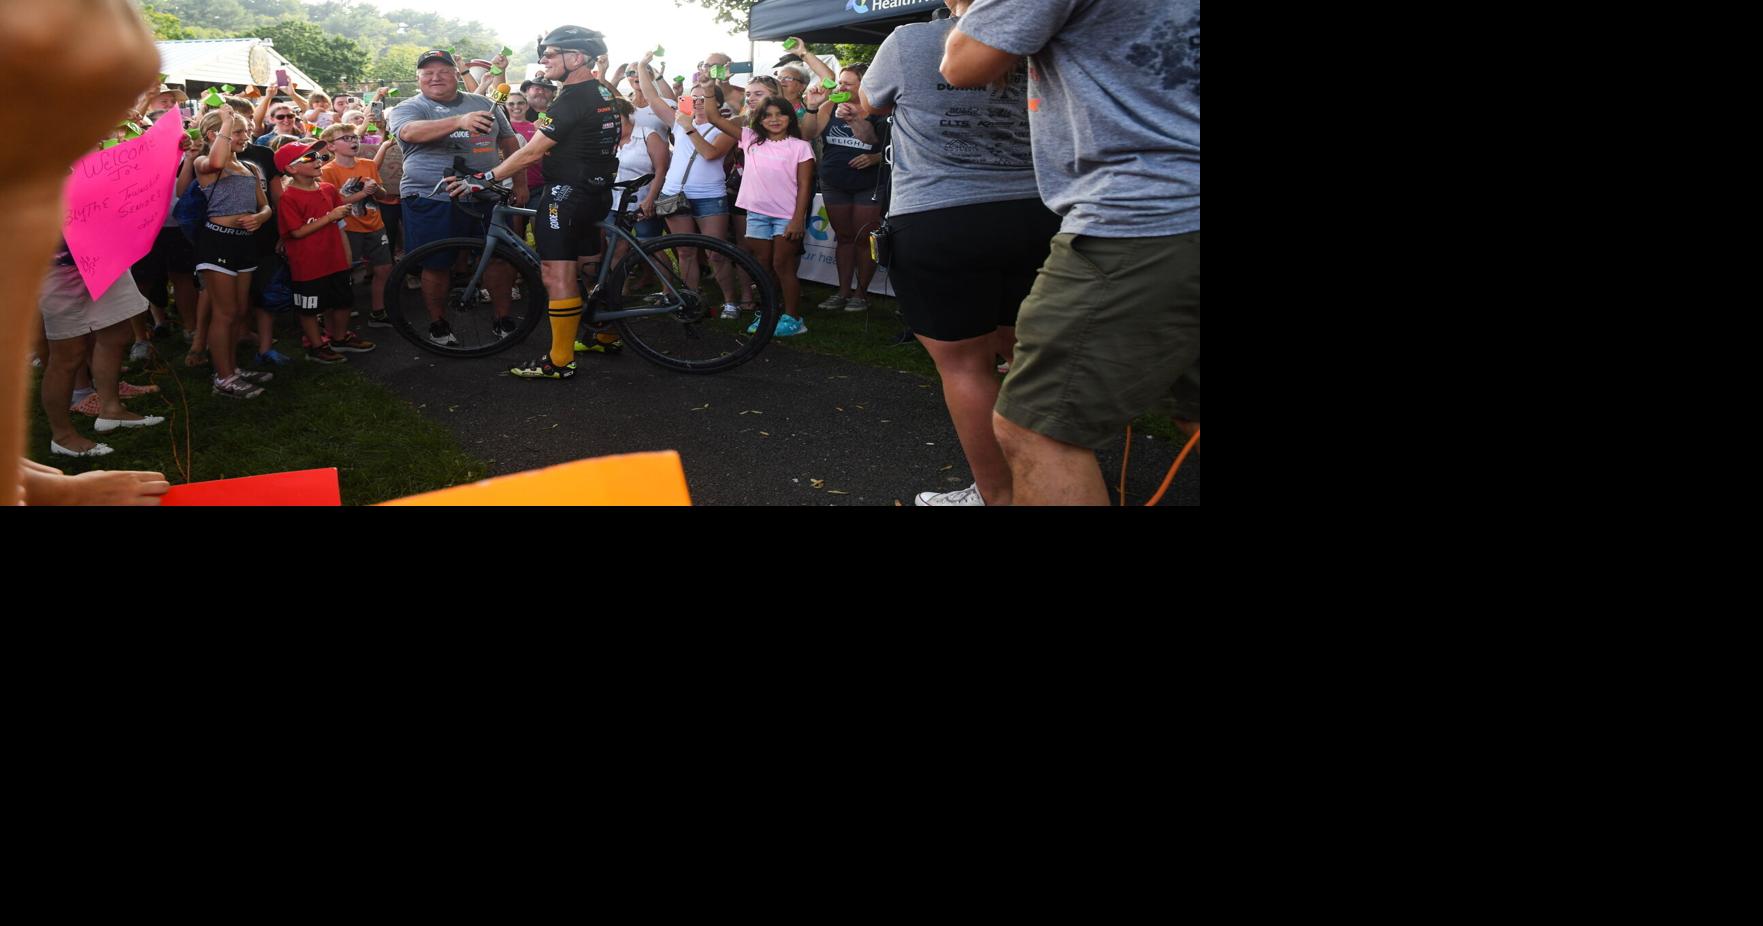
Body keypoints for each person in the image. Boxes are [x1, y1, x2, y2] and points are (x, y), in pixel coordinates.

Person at [943, 0, 1201, 505]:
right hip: (1172, 214)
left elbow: (962, 63)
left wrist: (966, 8)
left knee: (1035, 427)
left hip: (1142, 215)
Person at [862, 0, 1054, 506]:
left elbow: (871, 101)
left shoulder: (910, 40)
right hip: (1038, 215)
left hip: (938, 216)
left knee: (966, 367)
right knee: (1032, 359)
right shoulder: (1048, 33)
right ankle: (1058, 482)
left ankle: (997, 496)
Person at [1, 0, 169, 506]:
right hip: (64, 270)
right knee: (68, 350)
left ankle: (109, 405)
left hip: (98, 257)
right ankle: (62, 434)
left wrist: (48, 488)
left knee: (116, 331)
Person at [452, 26, 620, 380]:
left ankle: (559, 361)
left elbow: (532, 151)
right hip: (595, 191)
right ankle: (604, 333)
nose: (543, 59)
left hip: (567, 195)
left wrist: (488, 176)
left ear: (576, 58)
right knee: (589, 268)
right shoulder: (601, 89)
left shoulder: (573, 98)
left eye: (551, 53)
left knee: (555, 274)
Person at [387, 48, 526, 347]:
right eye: (428, 73)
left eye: (443, 71)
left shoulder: (485, 103)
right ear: (418, 78)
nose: (435, 77)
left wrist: (521, 182)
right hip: (431, 198)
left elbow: (509, 140)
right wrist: (459, 122)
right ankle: (438, 324)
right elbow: (409, 132)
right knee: (435, 263)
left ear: (455, 75)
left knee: (499, 260)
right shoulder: (409, 107)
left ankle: (503, 319)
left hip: (486, 194)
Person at [637, 52, 741, 323]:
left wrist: (689, 128)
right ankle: (689, 298)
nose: (694, 103)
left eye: (701, 99)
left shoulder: (724, 129)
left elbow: (710, 155)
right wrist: (641, 66)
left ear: (714, 103)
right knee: (685, 251)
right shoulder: (680, 121)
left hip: (709, 197)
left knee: (716, 254)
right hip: (675, 194)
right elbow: (652, 98)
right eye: (690, 99)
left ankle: (731, 301)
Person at [700, 94, 815, 337]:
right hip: (756, 214)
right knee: (762, 267)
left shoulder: (800, 146)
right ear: (759, 120)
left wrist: (797, 219)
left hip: (786, 216)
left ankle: (794, 318)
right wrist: (710, 90)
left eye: (780, 114)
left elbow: (806, 186)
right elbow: (713, 117)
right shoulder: (749, 138)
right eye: (768, 115)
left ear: (790, 117)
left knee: (781, 265)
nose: (774, 119)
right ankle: (770, 311)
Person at [190, 108, 277, 398]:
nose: (245, 136)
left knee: (239, 312)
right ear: (215, 135)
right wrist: (228, 119)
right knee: (225, 313)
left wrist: (261, 218)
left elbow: (264, 205)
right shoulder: (205, 162)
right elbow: (216, 159)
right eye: (238, 132)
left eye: (244, 131)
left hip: (243, 242)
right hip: (217, 242)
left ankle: (230, 369)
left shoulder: (250, 167)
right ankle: (224, 378)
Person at [276, 141, 376, 364]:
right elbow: (296, 232)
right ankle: (316, 345)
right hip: (308, 265)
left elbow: (339, 225)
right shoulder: (288, 197)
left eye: (316, 155)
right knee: (310, 307)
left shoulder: (328, 189)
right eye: (307, 157)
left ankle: (339, 338)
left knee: (342, 301)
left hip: (335, 259)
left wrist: (346, 253)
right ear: (291, 168)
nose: (316, 160)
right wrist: (329, 217)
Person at [800, 56, 885, 313]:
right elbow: (806, 135)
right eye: (840, 83)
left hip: (869, 183)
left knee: (864, 238)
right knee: (844, 238)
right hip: (834, 181)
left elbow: (876, 140)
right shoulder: (828, 107)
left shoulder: (878, 109)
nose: (841, 89)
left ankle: (861, 294)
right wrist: (813, 107)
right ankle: (843, 291)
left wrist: (874, 156)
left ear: (864, 85)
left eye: (848, 84)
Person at [320, 122, 394, 327]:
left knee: (384, 268)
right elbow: (332, 205)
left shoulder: (368, 165)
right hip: (348, 228)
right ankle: (343, 308)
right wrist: (363, 193)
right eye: (346, 138)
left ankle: (378, 312)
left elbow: (383, 194)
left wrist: (375, 189)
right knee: (346, 271)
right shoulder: (327, 171)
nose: (353, 141)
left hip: (375, 224)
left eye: (354, 137)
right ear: (331, 146)